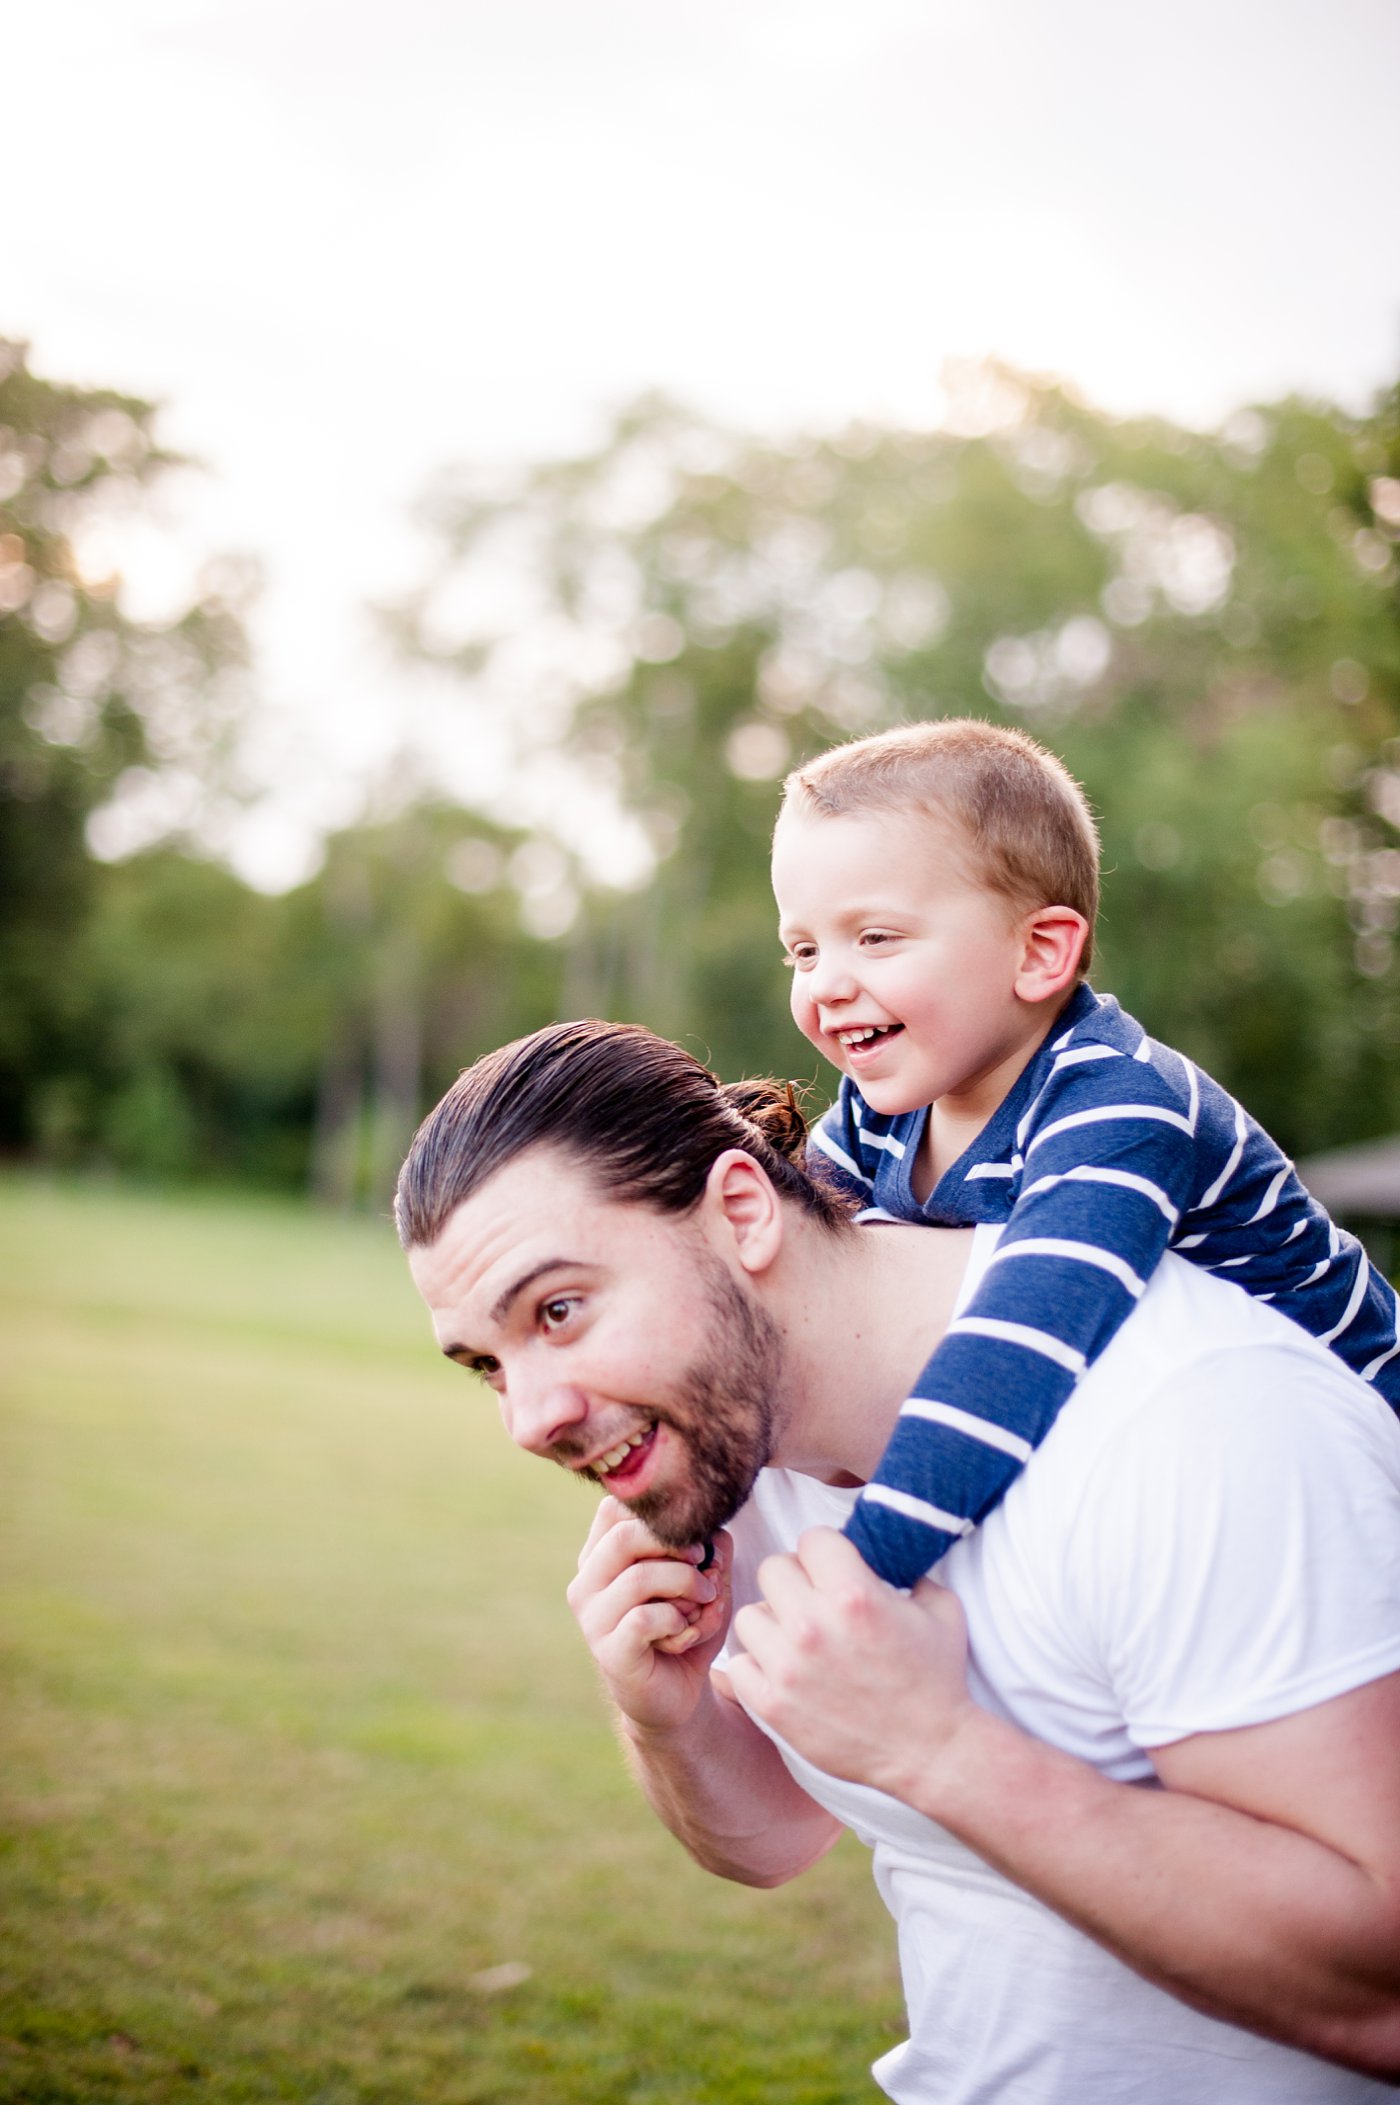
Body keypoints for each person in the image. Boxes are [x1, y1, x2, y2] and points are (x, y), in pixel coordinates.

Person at [396, 1019, 1400, 2104]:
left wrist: (941, 1748)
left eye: (559, 1309)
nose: (531, 1417)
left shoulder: (1192, 1421)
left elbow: (1380, 1990)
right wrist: (667, 1713)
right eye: (488, 1365)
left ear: (741, 1211)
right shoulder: (744, 1440)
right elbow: (773, 1837)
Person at [771, 719, 1400, 1588]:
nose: (826, 981)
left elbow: (1015, 1353)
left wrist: (867, 1565)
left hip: (1354, 1452)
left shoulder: (1120, 1107)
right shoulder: (881, 1111)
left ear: (1038, 953)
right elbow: (785, 1265)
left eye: (875, 937)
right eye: (802, 948)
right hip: (1191, 1459)